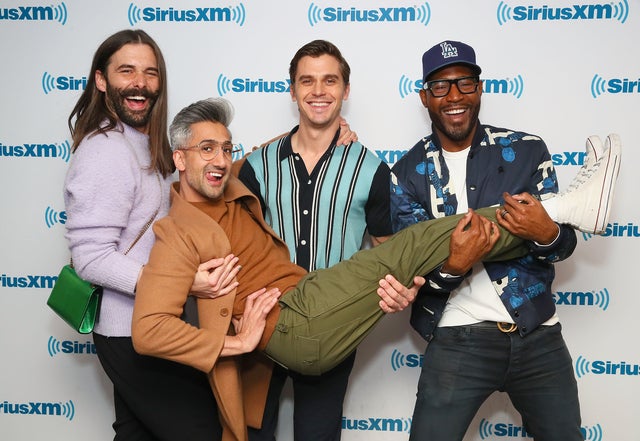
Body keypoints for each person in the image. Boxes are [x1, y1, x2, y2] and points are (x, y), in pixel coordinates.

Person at [130, 96, 619, 441]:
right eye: (206, 149)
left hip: (308, 305)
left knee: (411, 253)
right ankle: (569, 207)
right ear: (178, 158)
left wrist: (327, 126)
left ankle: (560, 214)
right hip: (294, 321)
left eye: (226, 147)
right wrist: (234, 342)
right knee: (414, 245)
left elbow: (275, 146)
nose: (220, 159)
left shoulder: (231, 181)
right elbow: (148, 331)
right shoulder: (177, 232)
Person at [389, 40, 620, 441]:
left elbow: (563, 248)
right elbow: (416, 277)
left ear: (480, 88)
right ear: (425, 96)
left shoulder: (527, 151)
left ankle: (570, 209)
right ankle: (575, 206)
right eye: (441, 87)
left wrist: (547, 233)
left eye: (464, 83)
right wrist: (454, 267)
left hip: (537, 330)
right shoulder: (405, 174)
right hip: (459, 336)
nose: (454, 96)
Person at [236, 39, 423, 441]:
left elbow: (388, 248)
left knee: (317, 436)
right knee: (251, 434)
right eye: (307, 81)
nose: (318, 91)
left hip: (333, 326)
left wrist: (401, 286)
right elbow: (233, 238)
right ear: (292, 90)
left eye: (330, 80)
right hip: (261, 323)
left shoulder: (370, 168)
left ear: (345, 90)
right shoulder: (256, 166)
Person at [63, 29, 225, 440]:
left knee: (137, 434)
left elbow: (202, 164)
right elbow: (91, 257)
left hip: (147, 323)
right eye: (127, 71)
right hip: (128, 332)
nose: (140, 83)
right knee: (202, 431)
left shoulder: (141, 141)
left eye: (150, 73)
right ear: (101, 80)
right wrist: (182, 284)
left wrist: (311, 139)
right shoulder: (105, 151)